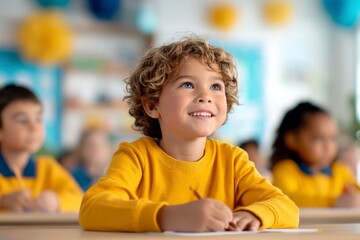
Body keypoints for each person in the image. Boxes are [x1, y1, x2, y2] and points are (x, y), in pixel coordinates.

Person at [79, 36, 299, 232]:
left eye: (215, 87)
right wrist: (167, 217)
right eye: (187, 84)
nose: (205, 95)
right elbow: (93, 208)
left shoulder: (233, 161)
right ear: (152, 105)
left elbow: (287, 208)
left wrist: (255, 215)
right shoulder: (136, 157)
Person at [0, 84, 83, 212]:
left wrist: (56, 201)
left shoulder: (47, 167)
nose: (34, 127)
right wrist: (3, 201)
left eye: (38, 119)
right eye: (22, 120)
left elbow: (81, 200)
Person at [270, 101, 360, 208]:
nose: (328, 147)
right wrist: (334, 202)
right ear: (292, 139)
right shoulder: (285, 171)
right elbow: (286, 200)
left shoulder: (341, 172)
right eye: (318, 138)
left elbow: (356, 193)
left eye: (333, 138)